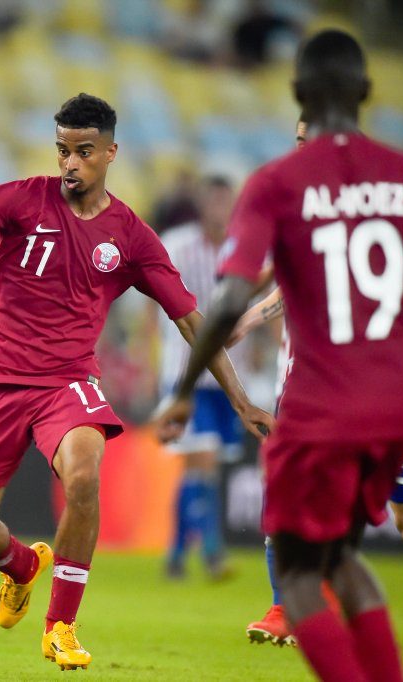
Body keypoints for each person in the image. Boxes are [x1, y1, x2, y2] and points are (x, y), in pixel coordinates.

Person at [0, 93, 275, 671]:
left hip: (67, 383)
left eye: (84, 151)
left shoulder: (132, 238)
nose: (71, 163)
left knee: (85, 474)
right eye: (63, 150)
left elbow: (191, 320)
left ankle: (60, 626)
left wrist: (241, 399)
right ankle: (22, 566)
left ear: (111, 153)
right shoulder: (18, 199)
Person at [156, 29, 403, 681]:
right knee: (341, 554)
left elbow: (227, 297)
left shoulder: (279, 186)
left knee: (319, 561)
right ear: (365, 92)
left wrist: (187, 387)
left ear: (298, 93)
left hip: (323, 396)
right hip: (394, 398)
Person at [237, 264, 403, 647]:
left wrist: (391, 317)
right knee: (287, 489)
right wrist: (247, 319)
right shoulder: (316, 231)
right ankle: (285, 607)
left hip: (393, 393)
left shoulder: (397, 227)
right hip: (318, 384)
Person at [157, 175, 250, 579]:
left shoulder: (243, 249)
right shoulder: (177, 245)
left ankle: (176, 554)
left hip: (229, 376)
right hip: (186, 373)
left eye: (226, 201)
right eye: (214, 201)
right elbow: (152, 304)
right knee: (203, 458)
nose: (220, 209)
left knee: (199, 467)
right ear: (201, 205)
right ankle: (212, 551)